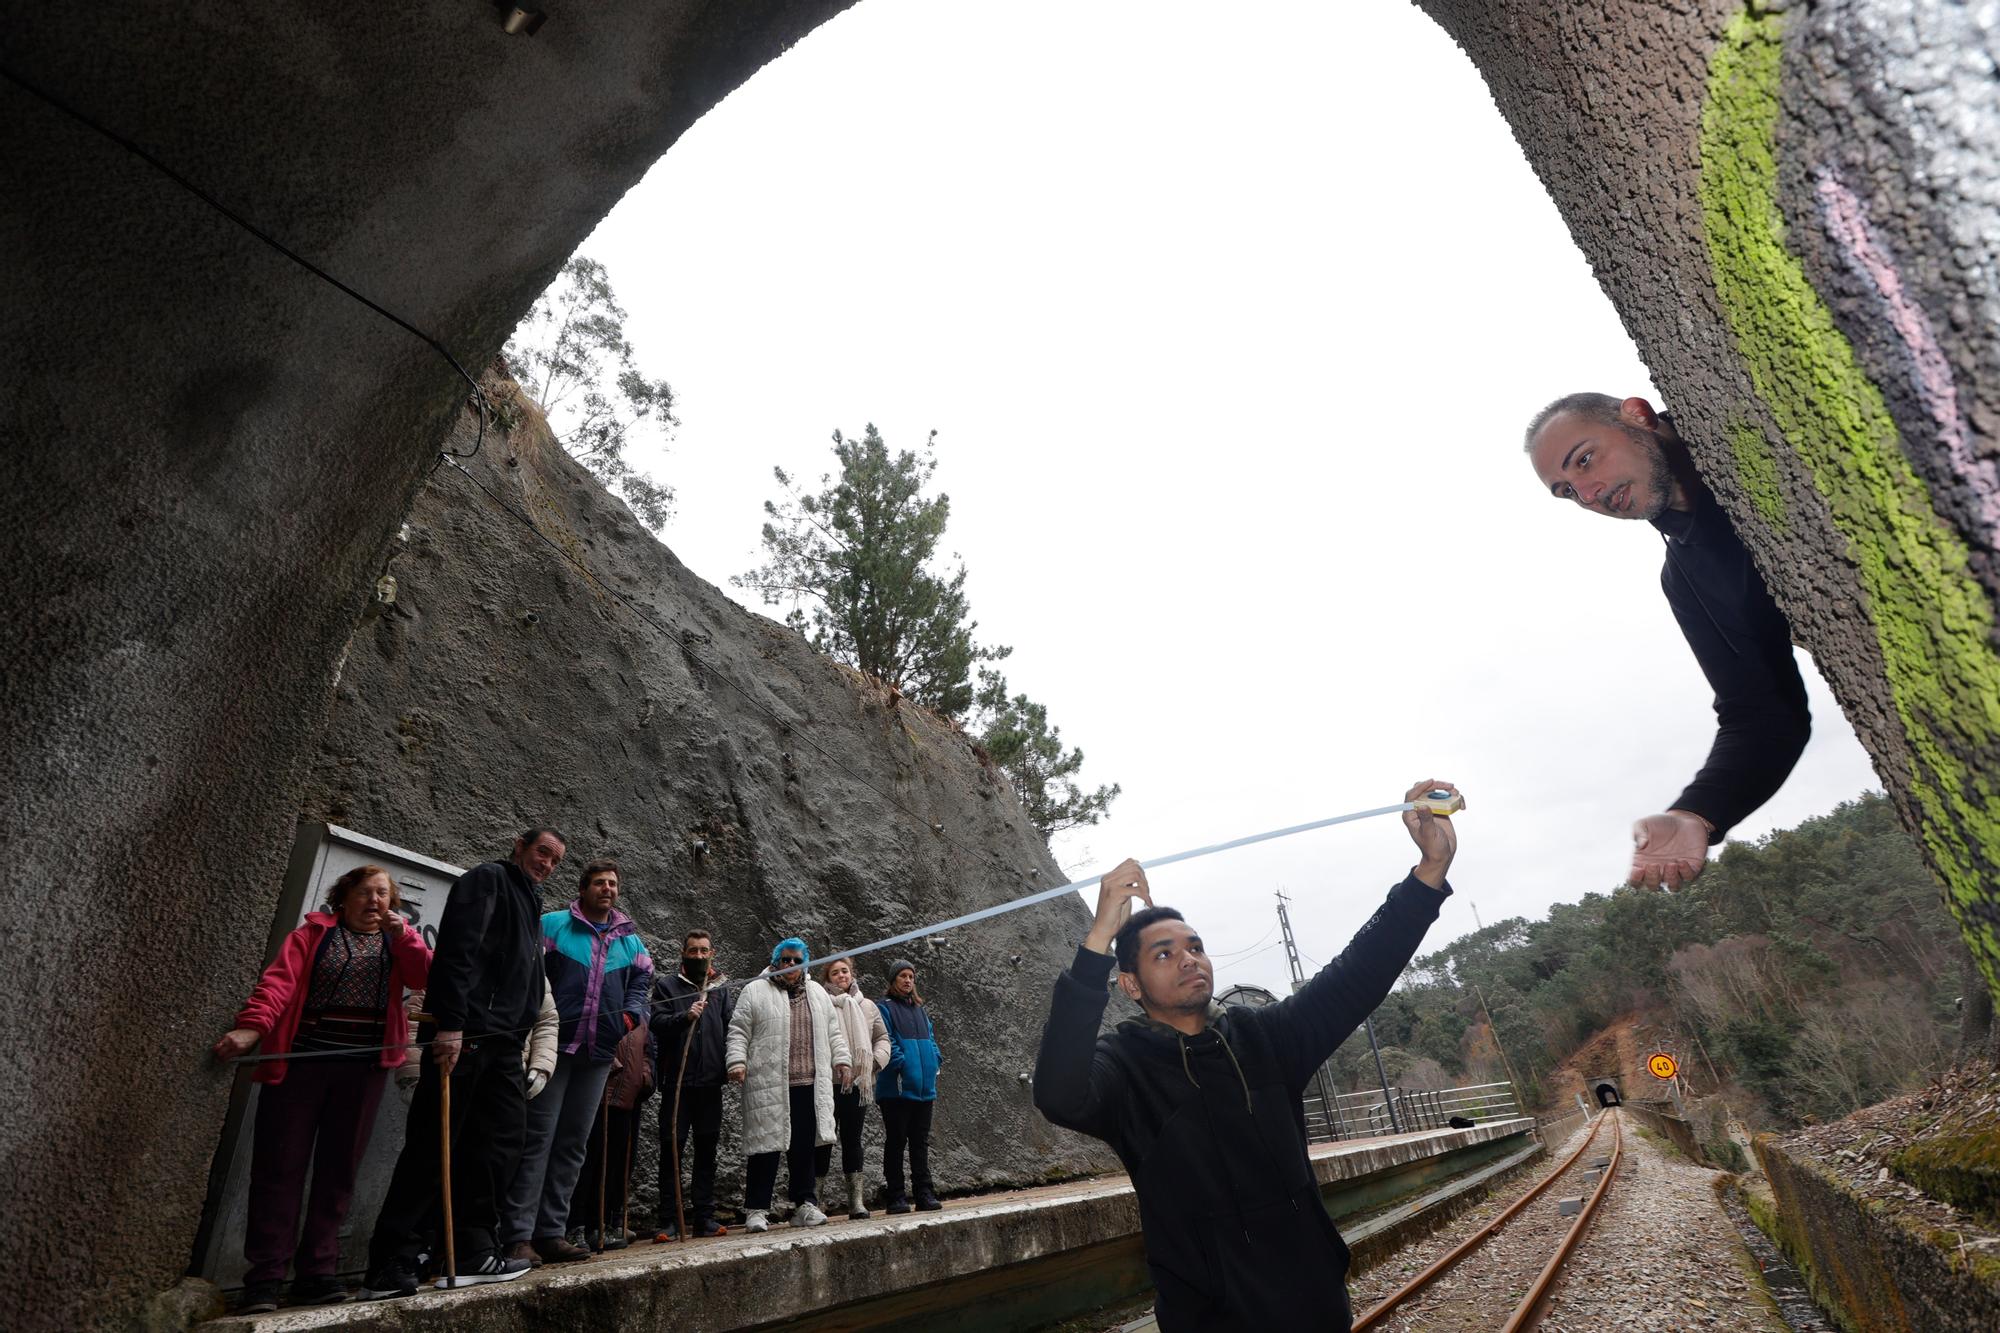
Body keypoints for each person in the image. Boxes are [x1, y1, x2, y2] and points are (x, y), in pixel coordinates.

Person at [1032, 780, 1461, 1332]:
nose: (1189, 960)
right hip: (1207, 1321)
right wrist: (1096, 943)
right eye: (1164, 953)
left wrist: (1430, 871)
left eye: (1194, 946)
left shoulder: (1266, 1037)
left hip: (1317, 1307)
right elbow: (1058, 1094)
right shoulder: (1124, 1068)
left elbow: (1358, 974)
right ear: (1130, 985)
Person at [1525, 394, 1811, 890]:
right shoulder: (1687, 578)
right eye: (1568, 491)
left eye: (1586, 460)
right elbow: (1763, 716)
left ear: (1638, 415)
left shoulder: (1759, 422)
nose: (1588, 494)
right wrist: (1696, 813)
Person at [213, 864, 432, 1313]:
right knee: (279, 1171)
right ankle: (265, 1279)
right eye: (366, 893)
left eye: (383, 895)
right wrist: (252, 1030)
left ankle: (317, 1272)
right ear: (344, 896)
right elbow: (277, 986)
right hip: (302, 1067)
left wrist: (404, 935)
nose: (375, 902)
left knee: (338, 1175)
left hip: (362, 1071)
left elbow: (425, 976)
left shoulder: (397, 940)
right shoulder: (312, 936)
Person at [362, 827, 565, 1299]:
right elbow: (457, 952)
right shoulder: (487, 880)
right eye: (542, 853)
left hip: (504, 1043)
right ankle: (392, 1260)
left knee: (499, 1145)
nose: (547, 864)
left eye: (556, 860)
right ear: (519, 846)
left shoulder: (528, 899)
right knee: (435, 1144)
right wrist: (451, 1024)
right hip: (468, 1034)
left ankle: (474, 1249)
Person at [500, 858, 652, 1266]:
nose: (608, 889)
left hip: (599, 1053)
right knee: (537, 1140)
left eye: (613, 884)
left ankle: (552, 1231)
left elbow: (642, 981)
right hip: (554, 1048)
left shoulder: (630, 941)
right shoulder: (552, 926)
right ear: (583, 888)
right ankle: (517, 1234)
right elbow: (529, 973)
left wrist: (629, 1017)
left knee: (572, 1145)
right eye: (600, 883)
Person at [724, 937, 851, 1233]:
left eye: (797, 960)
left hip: (809, 1082)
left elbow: (834, 1031)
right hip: (768, 1083)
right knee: (764, 1147)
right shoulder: (755, 990)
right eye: (786, 959)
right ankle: (756, 1209)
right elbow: (739, 1029)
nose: (791, 964)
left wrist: (841, 1059)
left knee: (804, 1147)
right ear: (776, 961)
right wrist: (736, 1062)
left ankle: (804, 1204)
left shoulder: (817, 993)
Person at [651, 929, 734, 1239]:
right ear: (683, 952)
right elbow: (656, 1024)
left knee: (706, 1150)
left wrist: (733, 1065)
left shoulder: (720, 988)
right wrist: (684, 1018)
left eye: (704, 951)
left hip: (710, 1083)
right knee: (672, 1149)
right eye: (694, 951)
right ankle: (669, 1220)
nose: (699, 956)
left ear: (711, 953)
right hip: (678, 1083)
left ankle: (704, 1217)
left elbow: (729, 1029)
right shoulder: (667, 986)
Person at [817, 956, 890, 1219]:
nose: (841, 976)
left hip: (859, 1083)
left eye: (845, 971)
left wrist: (874, 1063)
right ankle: (814, 1202)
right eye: (835, 973)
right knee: (823, 1140)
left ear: (852, 974)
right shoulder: (821, 1003)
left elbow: (882, 1037)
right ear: (827, 978)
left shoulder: (867, 1006)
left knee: (853, 1141)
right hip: (828, 1083)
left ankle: (856, 1202)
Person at [574, 1011, 654, 1250]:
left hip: (627, 1098)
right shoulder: (607, 1006)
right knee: (589, 1163)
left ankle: (603, 1223)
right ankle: (578, 1225)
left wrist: (646, 1076)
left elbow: (649, 1050)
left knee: (614, 1166)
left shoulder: (641, 1015)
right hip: (600, 1096)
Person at [874, 958, 943, 1214]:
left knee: (920, 1142)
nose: (907, 980)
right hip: (897, 1090)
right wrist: (903, 1066)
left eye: (911, 976)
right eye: (902, 976)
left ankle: (924, 1193)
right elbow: (886, 1040)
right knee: (896, 1142)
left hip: (924, 1089)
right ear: (893, 980)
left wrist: (935, 1060)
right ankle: (896, 1197)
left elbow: (931, 1038)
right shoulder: (885, 1008)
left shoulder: (919, 1010)